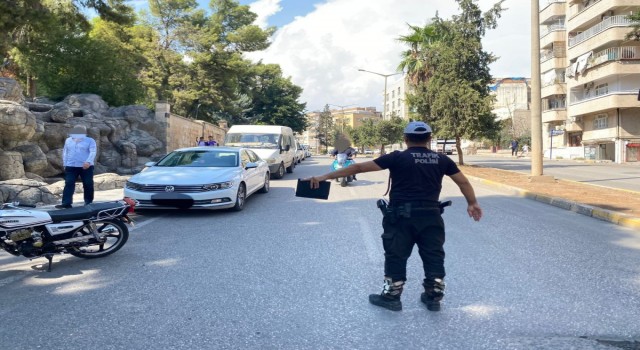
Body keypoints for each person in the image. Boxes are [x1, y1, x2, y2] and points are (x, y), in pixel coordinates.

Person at [305, 121, 482, 312]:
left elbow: (358, 169)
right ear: (429, 139)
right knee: (433, 254)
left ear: (405, 139)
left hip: (400, 217)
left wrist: (323, 177)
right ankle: (433, 297)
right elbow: (463, 182)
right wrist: (472, 203)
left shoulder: (397, 157)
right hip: (431, 216)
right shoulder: (442, 160)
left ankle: (391, 297)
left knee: (396, 255)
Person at [56, 125, 97, 209]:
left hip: (86, 166)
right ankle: (66, 203)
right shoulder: (68, 140)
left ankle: (88, 202)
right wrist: (65, 164)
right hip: (71, 165)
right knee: (69, 183)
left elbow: (93, 151)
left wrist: (88, 161)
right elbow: (65, 152)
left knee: (88, 183)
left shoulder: (90, 140)